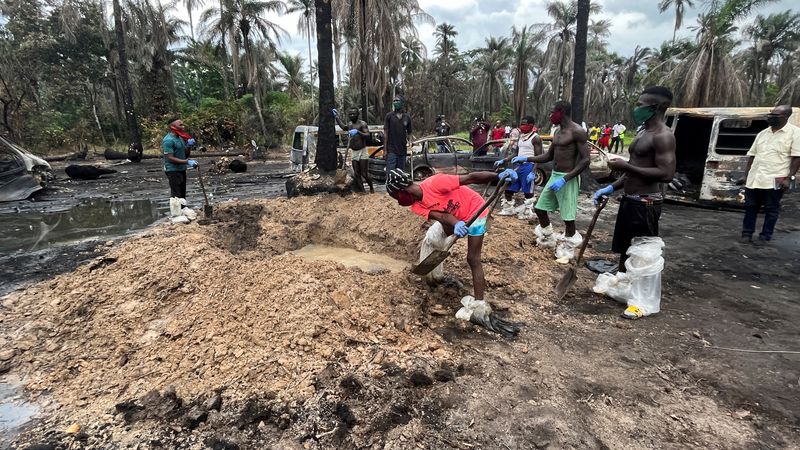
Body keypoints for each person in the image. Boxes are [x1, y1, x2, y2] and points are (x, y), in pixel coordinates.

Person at [385, 168, 520, 337]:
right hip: (453, 218)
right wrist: (457, 224)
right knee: (431, 239)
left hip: (476, 210)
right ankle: (433, 276)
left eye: (396, 197)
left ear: (402, 191)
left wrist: (497, 176)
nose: (399, 202)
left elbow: (470, 177)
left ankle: (479, 304)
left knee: (473, 259)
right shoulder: (416, 206)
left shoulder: (436, 183)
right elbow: (441, 217)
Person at [593, 86, 677, 319]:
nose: (637, 108)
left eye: (642, 105)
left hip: (646, 202)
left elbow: (666, 173)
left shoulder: (663, 135)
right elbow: (634, 170)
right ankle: (625, 289)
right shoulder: (642, 132)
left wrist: (626, 166)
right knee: (625, 247)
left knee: (644, 253)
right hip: (630, 199)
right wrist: (610, 187)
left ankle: (643, 303)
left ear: (657, 107)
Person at [514, 101, 590, 263]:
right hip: (555, 175)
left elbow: (585, 160)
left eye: (552, 112)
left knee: (568, 217)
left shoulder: (577, 131)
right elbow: (548, 156)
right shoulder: (557, 132)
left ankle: (568, 250)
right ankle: (548, 237)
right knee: (540, 208)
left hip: (567, 177)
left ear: (561, 112)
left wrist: (565, 178)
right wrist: (526, 158)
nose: (550, 116)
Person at [738, 105, 799, 244]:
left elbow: (797, 158)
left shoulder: (796, 133)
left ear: (785, 117)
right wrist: (745, 175)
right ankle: (747, 234)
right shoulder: (762, 133)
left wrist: (790, 179)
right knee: (750, 207)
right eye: (770, 114)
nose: (770, 117)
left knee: (772, 209)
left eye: (775, 115)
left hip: (778, 178)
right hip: (756, 177)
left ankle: (765, 236)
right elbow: (752, 156)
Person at [494, 116, 542, 219]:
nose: (522, 126)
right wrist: (504, 160)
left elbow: (539, 157)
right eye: (521, 124)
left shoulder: (536, 138)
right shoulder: (521, 136)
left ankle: (527, 213)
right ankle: (508, 209)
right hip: (519, 166)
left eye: (524, 124)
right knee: (509, 188)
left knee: (528, 192)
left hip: (530, 165)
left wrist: (533, 172)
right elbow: (516, 153)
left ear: (531, 126)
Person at [334, 107, 374, 193]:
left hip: (362, 151)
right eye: (350, 114)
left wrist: (357, 131)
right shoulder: (349, 124)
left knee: (364, 173)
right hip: (354, 151)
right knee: (357, 173)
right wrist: (336, 117)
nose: (352, 116)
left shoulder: (362, 124)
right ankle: (363, 191)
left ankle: (371, 187)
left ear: (358, 114)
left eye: (354, 114)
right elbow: (343, 127)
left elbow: (367, 135)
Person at [162, 118, 198, 216]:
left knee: (182, 191)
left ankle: (183, 209)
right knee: (176, 194)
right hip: (172, 170)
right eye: (179, 123)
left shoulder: (180, 138)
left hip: (181, 168)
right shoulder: (168, 140)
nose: (182, 124)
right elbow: (170, 158)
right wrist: (186, 162)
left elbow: (185, 154)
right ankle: (176, 214)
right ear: (172, 127)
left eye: (182, 123)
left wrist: (189, 146)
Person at [384, 95, 412, 172]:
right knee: (390, 173)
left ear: (402, 103)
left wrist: (409, 145)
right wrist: (385, 150)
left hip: (402, 150)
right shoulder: (389, 116)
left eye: (397, 101)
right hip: (391, 150)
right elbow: (386, 133)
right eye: (394, 101)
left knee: (400, 173)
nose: (395, 102)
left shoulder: (407, 117)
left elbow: (409, 133)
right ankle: (388, 184)